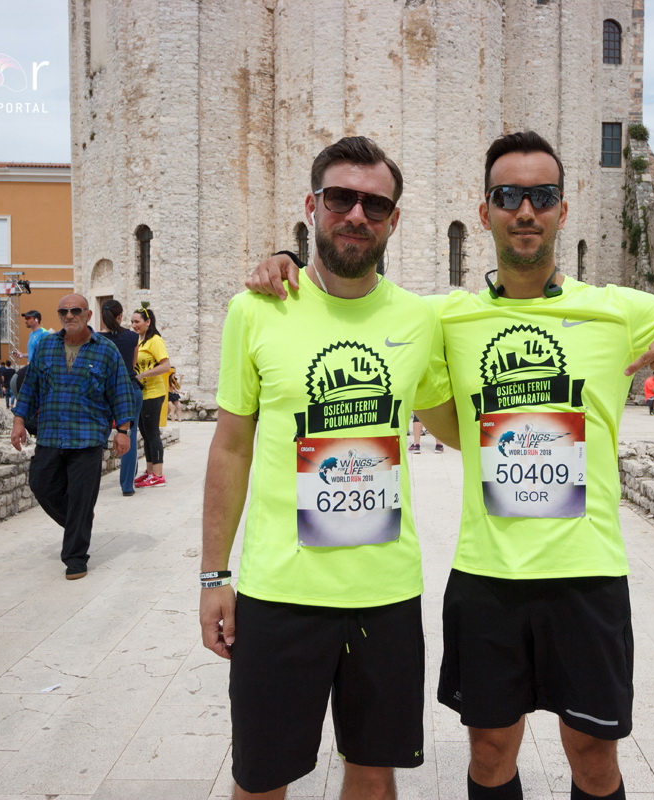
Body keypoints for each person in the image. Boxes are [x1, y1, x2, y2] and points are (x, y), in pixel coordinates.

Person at [246, 130, 654, 800]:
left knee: (594, 758)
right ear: (484, 211)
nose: (526, 210)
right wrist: (286, 261)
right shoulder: (447, 318)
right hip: (485, 579)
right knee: (489, 756)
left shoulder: (616, 310)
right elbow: (355, 293)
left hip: (587, 575)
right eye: (509, 195)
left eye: (541, 196)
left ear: (562, 211)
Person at [200, 136, 457, 799]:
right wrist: (213, 577)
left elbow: (453, 423)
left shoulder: (419, 319)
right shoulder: (255, 308)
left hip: (385, 592)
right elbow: (230, 446)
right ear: (312, 206)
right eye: (342, 198)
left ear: (394, 219)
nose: (357, 215)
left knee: (373, 772)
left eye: (376, 204)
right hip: (279, 594)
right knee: (262, 780)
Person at [10, 293, 138, 580]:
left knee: (81, 497)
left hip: (87, 436)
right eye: (63, 312)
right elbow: (29, 387)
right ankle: (78, 522)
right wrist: (19, 421)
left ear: (88, 314)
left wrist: (123, 431)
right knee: (41, 483)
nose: (69, 316)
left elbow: (120, 391)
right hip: (51, 433)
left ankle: (76, 557)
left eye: (75, 310)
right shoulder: (45, 346)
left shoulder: (105, 351)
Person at [97, 299, 143, 497]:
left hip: (105, 391)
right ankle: (127, 486)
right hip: (130, 389)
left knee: (97, 436)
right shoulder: (132, 337)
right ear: (120, 316)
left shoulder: (98, 339)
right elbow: (132, 365)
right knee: (129, 434)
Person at [131, 307, 173, 488]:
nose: (134, 326)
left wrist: (143, 375)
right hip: (143, 395)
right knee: (146, 434)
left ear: (148, 322)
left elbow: (166, 366)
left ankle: (158, 475)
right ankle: (149, 471)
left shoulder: (155, 341)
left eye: (137, 322)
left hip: (153, 394)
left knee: (153, 434)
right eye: (132, 322)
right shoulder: (141, 341)